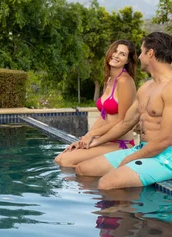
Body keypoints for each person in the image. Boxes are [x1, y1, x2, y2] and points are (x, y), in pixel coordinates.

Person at [75, 32, 172, 190]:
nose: (139, 57)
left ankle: (130, 215)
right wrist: (93, 141)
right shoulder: (146, 88)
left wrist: (130, 158)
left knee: (106, 183)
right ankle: (112, 212)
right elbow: (125, 123)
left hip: (167, 158)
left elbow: (166, 139)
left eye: (142, 52)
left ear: (150, 53)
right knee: (83, 169)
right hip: (143, 149)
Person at [55, 39, 137, 167]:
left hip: (120, 144)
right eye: (115, 51)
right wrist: (85, 138)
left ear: (128, 61)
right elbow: (103, 117)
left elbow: (123, 121)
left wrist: (94, 137)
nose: (116, 55)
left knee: (66, 161)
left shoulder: (125, 81)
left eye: (122, 54)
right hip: (105, 141)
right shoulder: (109, 80)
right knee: (59, 159)